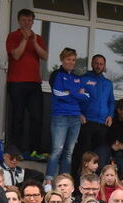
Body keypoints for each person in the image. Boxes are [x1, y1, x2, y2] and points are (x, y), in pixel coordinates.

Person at [5, 9, 48, 161]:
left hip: (34, 83)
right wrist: (24, 39)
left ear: (33, 22)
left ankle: (34, 150)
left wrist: (34, 41)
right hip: (17, 82)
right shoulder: (13, 36)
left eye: (29, 20)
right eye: (24, 20)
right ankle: (15, 150)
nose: (27, 23)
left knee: (36, 117)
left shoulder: (38, 38)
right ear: (19, 21)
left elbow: (44, 56)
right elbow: (16, 55)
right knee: (18, 117)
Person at [46, 47, 91, 185]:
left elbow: (87, 96)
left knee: (68, 152)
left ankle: (64, 181)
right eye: (68, 59)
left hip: (75, 118)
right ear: (62, 59)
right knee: (57, 149)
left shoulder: (77, 78)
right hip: (60, 116)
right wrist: (76, 94)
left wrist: (71, 93)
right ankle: (48, 181)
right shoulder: (58, 75)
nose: (71, 62)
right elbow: (58, 93)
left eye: (73, 60)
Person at [74, 54, 115, 168]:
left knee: (99, 155)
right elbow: (74, 98)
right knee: (83, 154)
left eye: (101, 64)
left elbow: (111, 101)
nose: (98, 66)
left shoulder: (108, 83)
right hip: (86, 122)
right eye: (96, 63)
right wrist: (79, 113)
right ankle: (78, 181)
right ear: (92, 64)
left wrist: (110, 116)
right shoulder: (83, 79)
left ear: (104, 66)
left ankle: (95, 182)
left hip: (102, 124)